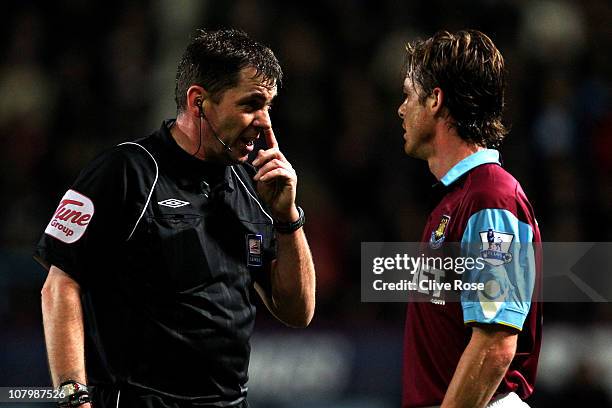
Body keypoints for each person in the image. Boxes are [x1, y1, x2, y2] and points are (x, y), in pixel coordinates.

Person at [35, 28, 316, 408]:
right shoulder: (126, 172)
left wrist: (287, 218)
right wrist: (73, 400)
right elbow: (60, 284)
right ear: (199, 102)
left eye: (269, 107)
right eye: (251, 104)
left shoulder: (253, 185)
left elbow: (298, 312)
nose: (265, 123)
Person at [397, 30, 542, 407]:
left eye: (409, 95)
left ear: (435, 100)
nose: (401, 109)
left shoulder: (490, 198)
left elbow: (495, 343)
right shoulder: (459, 200)